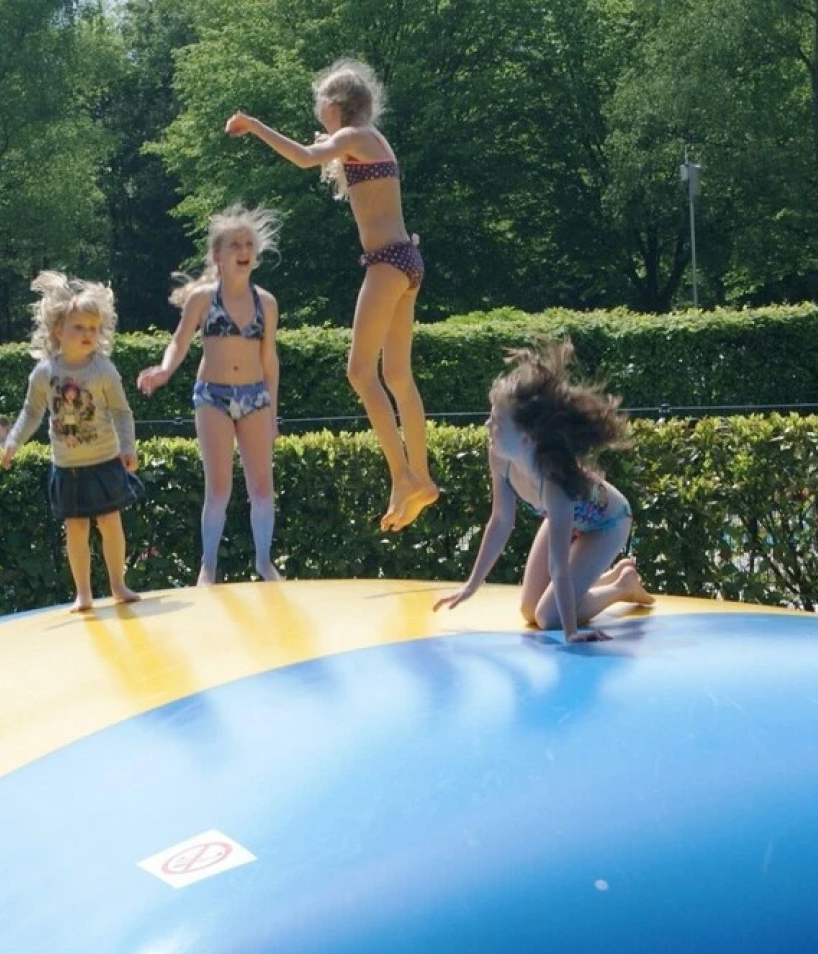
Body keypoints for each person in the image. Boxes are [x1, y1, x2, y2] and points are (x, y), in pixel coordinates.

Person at [226, 57, 437, 532]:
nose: (318, 112)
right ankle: (420, 478)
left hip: (388, 262)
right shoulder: (366, 140)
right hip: (406, 261)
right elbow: (332, 161)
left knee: (360, 373)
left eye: (321, 103)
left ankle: (403, 476)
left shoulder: (355, 136)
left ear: (337, 105)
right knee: (397, 375)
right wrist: (331, 147)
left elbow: (305, 157)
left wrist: (254, 125)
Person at [433, 339, 654, 642]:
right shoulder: (499, 456)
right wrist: (471, 585)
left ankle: (622, 587)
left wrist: (571, 631)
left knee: (547, 617)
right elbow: (501, 521)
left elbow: (558, 565)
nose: (487, 425)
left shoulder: (555, 483)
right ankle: (614, 577)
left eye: (497, 422)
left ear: (527, 438)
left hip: (607, 525)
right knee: (529, 610)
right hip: (563, 519)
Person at [137, 205, 283, 585]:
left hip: (254, 396)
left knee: (261, 485)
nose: (243, 250)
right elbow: (179, 341)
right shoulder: (203, 299)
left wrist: (272, 411)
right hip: (212, 396)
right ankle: (209, 566)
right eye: (235, 244)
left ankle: (264, 561)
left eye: (248, 244)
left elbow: (269, 359)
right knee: (218, 486)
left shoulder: (266, 303)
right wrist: (164, 370)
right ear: (217, 255)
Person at [0, 271, 143, 613]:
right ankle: (83, 593)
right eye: (79, 327)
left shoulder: (103, 370)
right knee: (76, 529)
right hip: (67, 467)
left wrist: (128, 446)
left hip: (105, 461)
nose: (87, 334)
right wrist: (13, 440)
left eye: (93, 328)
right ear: (57, 331)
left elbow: (122, 412)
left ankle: (118, 584)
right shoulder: (44, 373)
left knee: (110, 523)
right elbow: (31, 411)